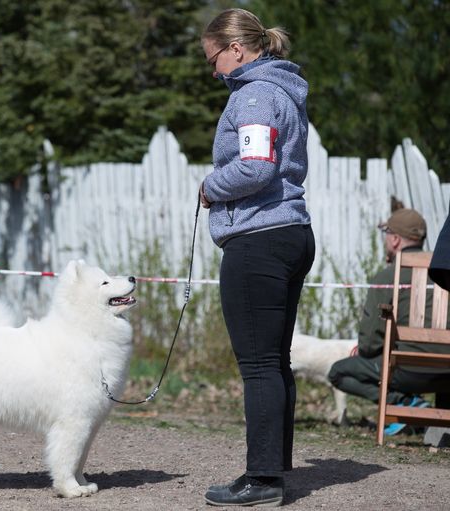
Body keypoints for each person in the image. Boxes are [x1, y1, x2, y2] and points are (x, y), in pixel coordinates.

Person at [199, 8, 315, 507]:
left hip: (259, 239)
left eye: (214, 60)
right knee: (275, 360)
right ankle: (274, 467)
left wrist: (209, 186)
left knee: (259, 365)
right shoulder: (284, 90)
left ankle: (262, 480)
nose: (214, 71)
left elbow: (254, 166)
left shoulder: (254, 94)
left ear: (237, 50)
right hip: (292, 233)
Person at [328, 208, 450, 435]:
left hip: (408, 370)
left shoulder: (387, 277)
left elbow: (368, 343)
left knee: (338, 372)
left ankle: (403, 402)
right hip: (448, 370)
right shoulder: (443, 270)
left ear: (394, 240)